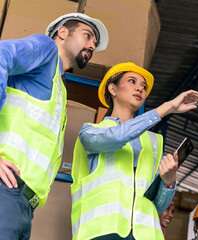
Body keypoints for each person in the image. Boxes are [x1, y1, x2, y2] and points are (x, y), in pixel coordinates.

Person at [0, 13, 108, 239]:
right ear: (62, 33)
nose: (92, 46)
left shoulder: (59, 85)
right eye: (87, 36)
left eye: (95, 44)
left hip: (24, 204)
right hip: (5, 188)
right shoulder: (45, 49)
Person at [70, 62, 198, 240]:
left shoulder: (153, 142)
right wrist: (167, 107)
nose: (140, 89)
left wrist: (169, 181)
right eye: (132, 81)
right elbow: (118, 136)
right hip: (100, 231)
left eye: (143, 86)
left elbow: (157, 206)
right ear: (112, 88)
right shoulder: (90, 132)